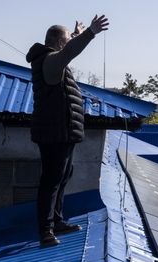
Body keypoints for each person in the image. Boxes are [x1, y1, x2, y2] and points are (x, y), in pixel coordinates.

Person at [26, 15, 109, 247]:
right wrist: (89, 33)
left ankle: (58, 220)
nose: (68, 42)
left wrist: (75, 34)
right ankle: (45, 231)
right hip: (54, 131)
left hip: (62, 130)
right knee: (51, 179)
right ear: (58, 42)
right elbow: (69, 51)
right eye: (66, 39)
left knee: (63, 175)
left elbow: (67, 45)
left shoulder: (52, 57)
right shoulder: (50, 60)